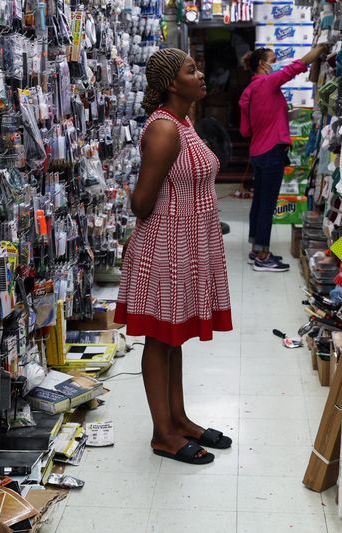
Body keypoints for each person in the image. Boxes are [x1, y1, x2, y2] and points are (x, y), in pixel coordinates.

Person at [114, 48, 233, 466]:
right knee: (159, 338)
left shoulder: (185, 122)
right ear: (170, 83)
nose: (201, 75)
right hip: (165, 245)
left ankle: (178, 419)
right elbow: (141, 202)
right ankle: (162, 433)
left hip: (186, 243)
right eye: (191, 71)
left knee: (173, 336)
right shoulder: (165, 130)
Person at [239, 45, 325, 272]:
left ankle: (255, 248)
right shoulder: (267, 83)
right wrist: (319, 50)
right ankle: (263, 256)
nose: (276, 63)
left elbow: (245, 130)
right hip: (271, 152)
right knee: (267, 205)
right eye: (273, 60)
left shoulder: (249, 90)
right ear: (262, 64)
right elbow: (296, 67)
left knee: (259, 203)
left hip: (258, 151)